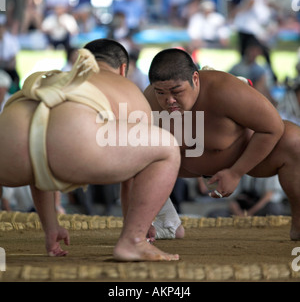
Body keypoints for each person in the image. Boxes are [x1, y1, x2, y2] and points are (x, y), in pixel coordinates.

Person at [0, 39, 180, 261]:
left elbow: (41, 154)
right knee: (168, 148)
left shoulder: (60, 79)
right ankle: (133, 242)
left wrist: (51, 226)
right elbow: (134, 178)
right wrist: (139, 229)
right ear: (123, 69)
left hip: (9, 140)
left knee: (44, 143)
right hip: (73, 144)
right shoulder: (125, 87)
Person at [144, 47, 300, 241]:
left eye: (177, 91)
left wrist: (236, 172)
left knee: (293, 140)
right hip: (183, 167)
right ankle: (166, 223)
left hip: (244, 157)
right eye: (161, 93)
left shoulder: (226, 90)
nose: (169, 100)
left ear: (195, 79)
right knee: (130, 148)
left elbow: (273, 128)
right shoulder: (149, 101)